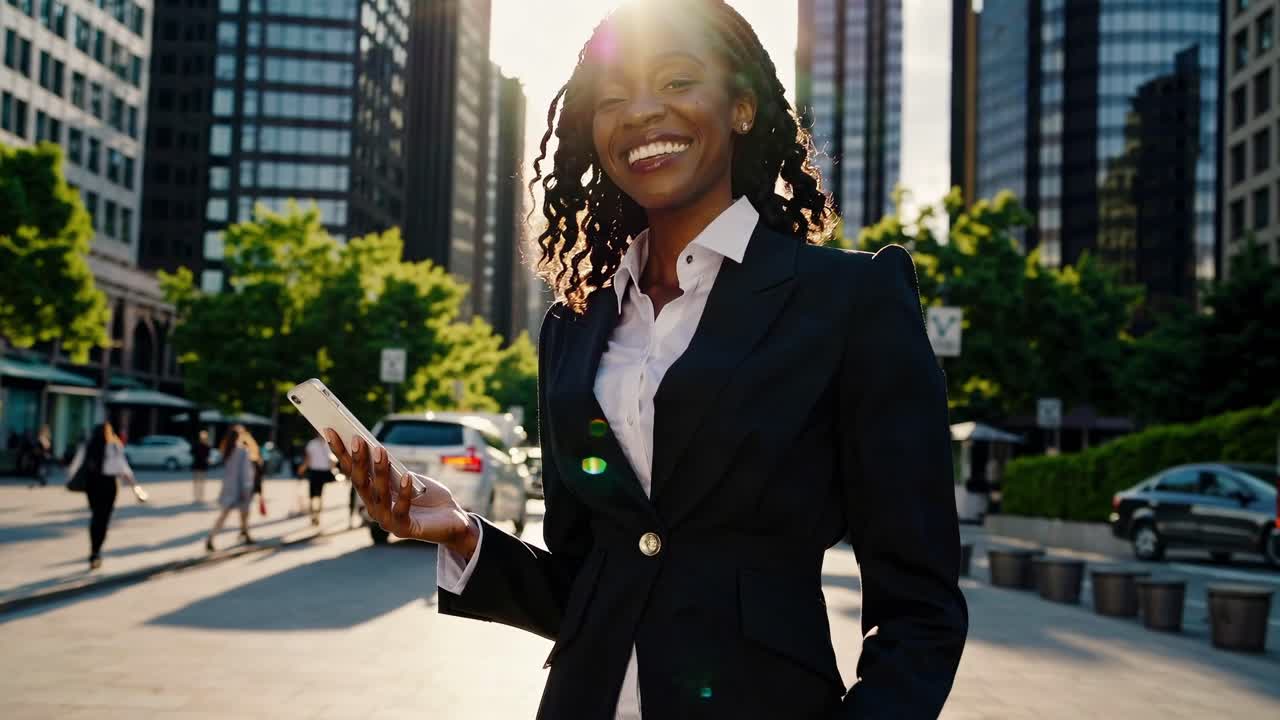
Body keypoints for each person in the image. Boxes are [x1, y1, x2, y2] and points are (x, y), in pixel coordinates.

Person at [328, 2, 967, 717]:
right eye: (613, 98)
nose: (641, 112)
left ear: (744, 107)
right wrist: (460, 531)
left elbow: (921, 609)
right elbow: (592, 578)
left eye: (675, 81)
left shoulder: (851, 301)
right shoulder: (573, 328)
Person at [66, 422, 141, 570]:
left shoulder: (89, 446)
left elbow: (75, 465)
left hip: (92, 485)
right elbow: (124, 468)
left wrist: (70, 479)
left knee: (96, 517)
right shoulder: (114, 446)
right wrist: (136, 488)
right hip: (109, 485)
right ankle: (97, 551)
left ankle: (94, 550)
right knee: (104, 519)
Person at [205, 426, 257, 551]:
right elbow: (245, 472)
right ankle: (244, 534)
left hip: (228, 487)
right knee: (244, 513)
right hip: (240, 487)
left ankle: (214, 537)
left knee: (227, 514)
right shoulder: (242, 451)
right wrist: (246, 488)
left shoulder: (227, 450)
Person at [299, 433, 333, 526]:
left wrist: (302, 469)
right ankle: (317, 515)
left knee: (312, 495)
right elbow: (332, 461)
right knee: (319, 495)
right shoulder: (328, 445)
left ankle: (314, 515)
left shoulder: (311, 444)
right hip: (323, 472)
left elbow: (308, 459)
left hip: (314, 472)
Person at [191, 430, 212, 503]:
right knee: (199, 483)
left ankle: (198, 497)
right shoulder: (206, 446)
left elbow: (191, 452)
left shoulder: (198, 445)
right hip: (200, 466)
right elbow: (208, 457)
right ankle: (198, 497)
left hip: (199, 466)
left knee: (198, 483)